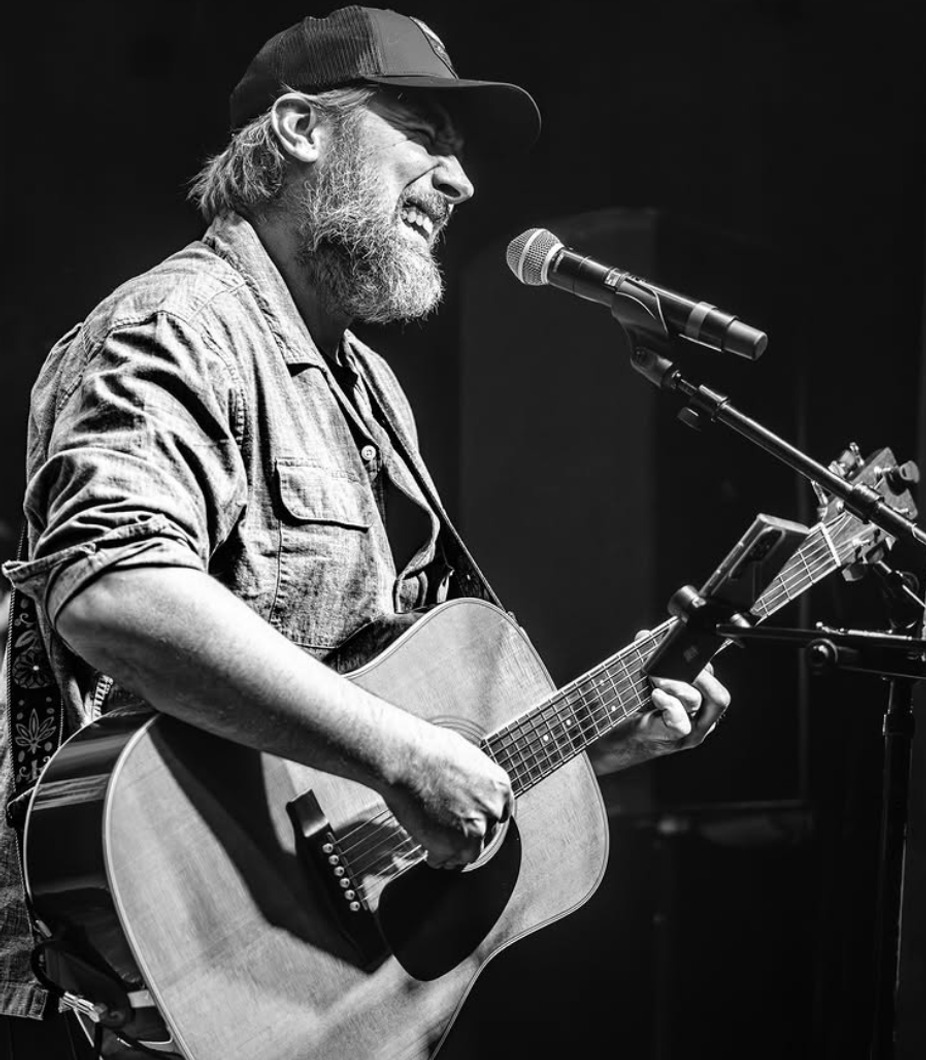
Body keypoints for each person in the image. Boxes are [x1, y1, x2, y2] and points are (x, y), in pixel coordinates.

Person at [0, 7, 730, 1058]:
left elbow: (375, 718)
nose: (460, 181)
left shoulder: (371, 387)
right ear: (300, 129)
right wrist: (400, 753)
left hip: (299, 976)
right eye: (424, 137)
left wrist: (582, 746)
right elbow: (116, 591)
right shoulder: (177, 325)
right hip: (142, 970)